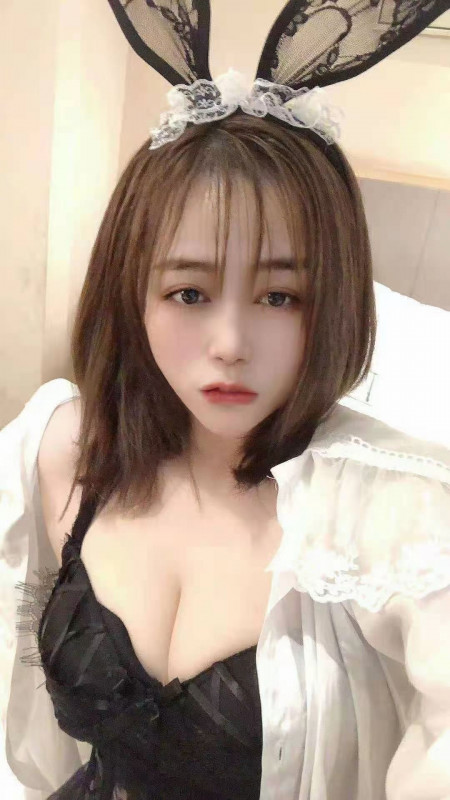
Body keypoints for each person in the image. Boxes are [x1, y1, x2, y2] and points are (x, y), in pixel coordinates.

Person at [2, 2, 450, 799]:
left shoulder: (390, 510)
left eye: (281, 296)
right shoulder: (67, 447)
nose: (231, 342)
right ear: (132, 295)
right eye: (189, 292)